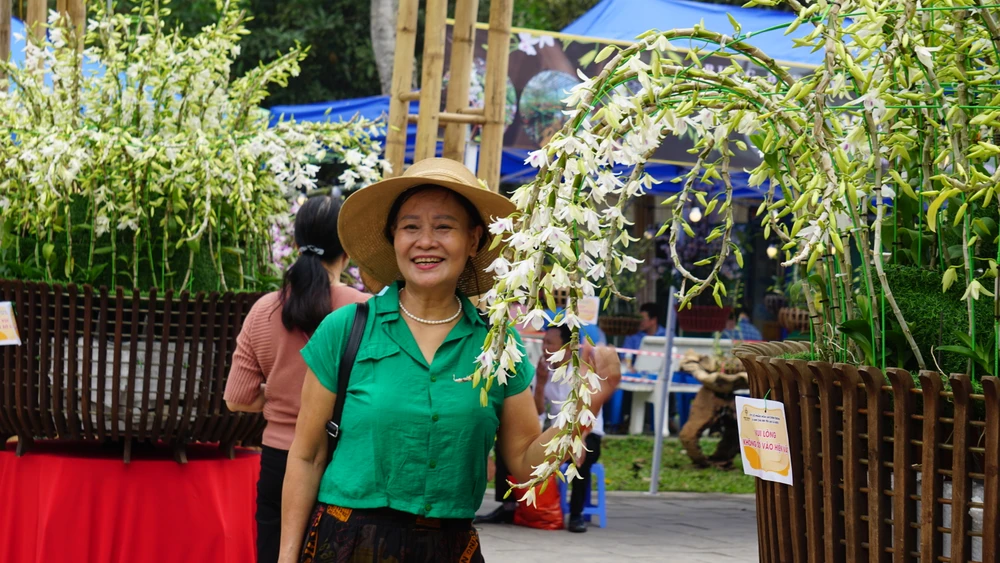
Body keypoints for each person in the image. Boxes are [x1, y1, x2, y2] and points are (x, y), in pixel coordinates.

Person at [277, 158, 622, 563]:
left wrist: (588, 401)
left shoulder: (497, 346)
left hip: (449, 547)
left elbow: (526, 465)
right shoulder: (346, 330)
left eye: (444, 227)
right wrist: (286, 557)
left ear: (474, 240)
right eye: (411, 227)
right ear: (393, 238)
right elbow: (307, 456)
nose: (426, 241)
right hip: (348, 545)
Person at [224, 196, 370, 563]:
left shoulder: (265, 309)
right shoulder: (362, 311)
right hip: (341, 460)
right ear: (347, 249)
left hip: (277, 461)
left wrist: (276, 396)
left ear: (296, 241)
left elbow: (237, 398)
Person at [534, 324, 605, 533]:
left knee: (580, 457)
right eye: (543, 342)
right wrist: (539, 384)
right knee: (512, 447)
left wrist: (580, 437)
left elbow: (591, 412)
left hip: (588, 433)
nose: (545, 348)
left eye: (550, 344)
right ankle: (514, 507)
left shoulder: (582, 372)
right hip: (558, 434)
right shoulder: (543, 371)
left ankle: (576, 515)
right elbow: (537, 411)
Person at [622, 302, 666, 367]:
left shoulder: (667, 335)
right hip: (636, 374)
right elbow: (624, 357)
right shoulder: (632, 334)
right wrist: (629, 368)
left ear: (653, 320)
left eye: (643, 319)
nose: (640, 322)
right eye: (639, 319)